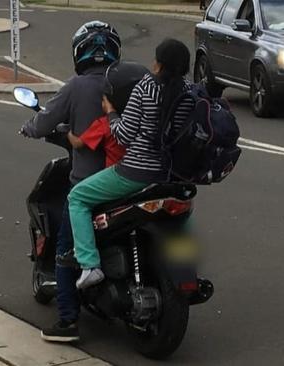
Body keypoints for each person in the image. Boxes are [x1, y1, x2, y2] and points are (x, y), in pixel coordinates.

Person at [20, 20, 121, 343]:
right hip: (136, 178)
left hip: (91, 181)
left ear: (80, 52)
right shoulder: (130, 80)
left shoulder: (76, 87)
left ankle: (67, 320)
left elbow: (45, 120)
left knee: (65, 249)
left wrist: (29, 127)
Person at [68, 38, 196, 289]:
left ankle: (89, 264)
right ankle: (187, 269)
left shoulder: (145, 87)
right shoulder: (189, 92)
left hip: (136, 173)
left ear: (159, 64)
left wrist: (111, 112)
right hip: (172, 176)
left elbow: (123, 135)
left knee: (77, 198)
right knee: (181, 216)